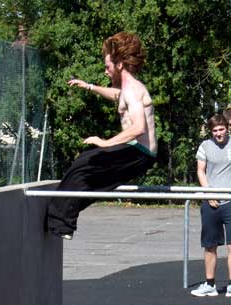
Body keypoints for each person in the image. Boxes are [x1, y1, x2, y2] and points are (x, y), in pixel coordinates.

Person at [46, 31, 157, 239]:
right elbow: (116, 95)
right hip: (139, 153)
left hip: (139, 152)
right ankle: (63, 219)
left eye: (108, 67)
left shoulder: (132, 89)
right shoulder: (127, 88)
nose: (106, 72)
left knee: (84, 164)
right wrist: (89, 87)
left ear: (119, 65)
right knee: (91, 175)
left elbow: (138, 127)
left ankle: (61, 224)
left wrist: (105, 143)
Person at [190, 113, 231, 298]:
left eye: (221, 129)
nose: (218, 133)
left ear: (227, 129)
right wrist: (208, 192)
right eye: (215, 131)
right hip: (211, 201)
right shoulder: (205, 146)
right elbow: (200, 171)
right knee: (210, 245)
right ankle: (210, 284)